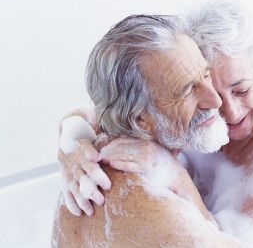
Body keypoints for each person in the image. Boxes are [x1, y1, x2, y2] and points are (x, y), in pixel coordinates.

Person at [56, 0, 253, 246]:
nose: (224, 108)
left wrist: (177, 179)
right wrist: (74, 146)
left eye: (241, 90)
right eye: (201, 87)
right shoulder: (198, 125)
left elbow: (244, 241)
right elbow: (91, 113)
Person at [52, 14, 242, 247]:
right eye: (187, 90)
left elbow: (85, 114)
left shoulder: (103, 144)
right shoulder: (147, 204)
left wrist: (72, 133)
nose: (215, 100)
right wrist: (179, 179)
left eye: (205, 75)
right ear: (141, 119)